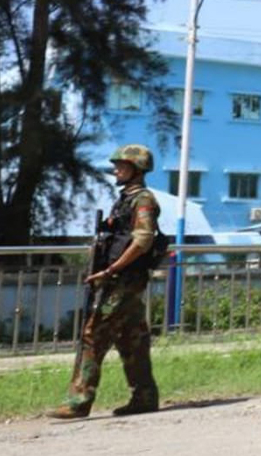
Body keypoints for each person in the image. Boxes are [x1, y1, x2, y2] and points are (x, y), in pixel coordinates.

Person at [49, 144, 163, 419]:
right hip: (121, 279)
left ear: (137, 169)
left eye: (122, 166)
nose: (116, 170)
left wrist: (112, 269)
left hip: (124, 279)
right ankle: (145, 397)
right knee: (132, 338)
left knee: (93, 333)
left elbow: (143, 240)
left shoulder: (143, 200)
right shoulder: (126, 199)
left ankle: (79, 401)